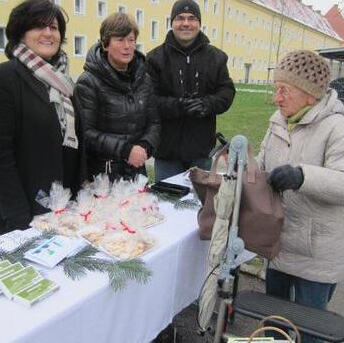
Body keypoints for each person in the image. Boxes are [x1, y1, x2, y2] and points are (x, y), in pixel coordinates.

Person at [257, 50, 344, 343]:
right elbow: (262, 164)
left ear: (310, 94)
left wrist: (302, 176)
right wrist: (242, 165)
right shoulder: (278, 121)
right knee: (275, 325)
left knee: (309, 332)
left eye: (285, 90)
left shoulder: (337, 127)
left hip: (316, 252)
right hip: (280, 244)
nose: (277, 98)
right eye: (275, 89)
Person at [0, 0, 85, 234]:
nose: (49, 33)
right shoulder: (7, 78)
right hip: (26, 214)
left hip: (65, 208)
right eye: (39, 26)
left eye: (54, 27)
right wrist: (20, 219)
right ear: (20, 34)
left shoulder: (64, 82)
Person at [146, 0, 236, 182]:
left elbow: (227, 92)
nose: (186, 23)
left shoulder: (216, 57)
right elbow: (148, 100)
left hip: (202, 151)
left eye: (192, 18)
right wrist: (178, 106)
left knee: (203, 204)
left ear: (199, 23)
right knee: (167, 203)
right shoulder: (155, 58)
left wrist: (206, 104)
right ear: (171, 22)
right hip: (167, 152)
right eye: (180, 18)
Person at [74, 12, 160, 181]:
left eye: (131, 40)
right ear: (106, 44)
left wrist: (145, 146)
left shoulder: (144, 78)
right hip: (103, 176)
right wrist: (125, 150)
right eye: (120, 40)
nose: (127, 46)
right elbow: (85, 133)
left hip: (137, 171)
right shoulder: (89, 81)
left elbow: (154, 122)